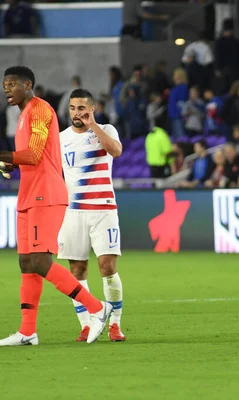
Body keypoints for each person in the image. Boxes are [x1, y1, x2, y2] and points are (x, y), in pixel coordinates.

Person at [0, 66, 112, 346]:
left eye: (12, 84)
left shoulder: (39, 109)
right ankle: (28, 331)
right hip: (28, 193)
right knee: (26, 262)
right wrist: (10, 162)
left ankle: (97, 308)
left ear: (28, 85)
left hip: (45, 194)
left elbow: (35, 154)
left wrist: (11, 156)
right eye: (5, 85)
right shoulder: (22, 115)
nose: (7, 90)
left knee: (40, 261)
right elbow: (26, 157)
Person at [58, 88, 126, 342]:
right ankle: (86, 324)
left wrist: (92, 126)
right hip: (73, 211)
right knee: (77, 270)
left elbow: (116, 151)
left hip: (103, 209)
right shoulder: (61, 138)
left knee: (107, 266)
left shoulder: (106, 130)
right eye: (73, 109)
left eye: (82, 108)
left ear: (92, 109)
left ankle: (115, 325)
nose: (77, 113)